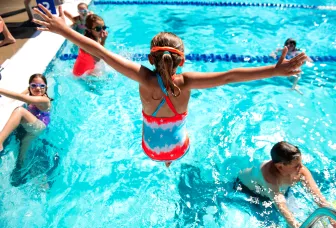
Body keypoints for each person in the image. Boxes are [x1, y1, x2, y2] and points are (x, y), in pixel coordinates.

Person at [33, 5, 307, 167]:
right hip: (176, 149)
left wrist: (65, 30)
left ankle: (161, 156)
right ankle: (169, 159)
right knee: (185, 127)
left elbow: (101, 52)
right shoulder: (187, 82)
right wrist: (274, 70)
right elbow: (229, 76)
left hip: (149, 148)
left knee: (156, 126)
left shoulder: (142, 76)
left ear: (151, 58)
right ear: (183, 60)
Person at [237, 141, 336, 228]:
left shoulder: (301, 170)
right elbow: (280, 204)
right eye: (296, 166)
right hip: (250, 192)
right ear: (280, 167)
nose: (301, 168)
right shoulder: (268, 175)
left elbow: (320, 200)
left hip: (281, 192)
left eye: (300, 163)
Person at [0, 74, 52, 167]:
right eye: (34, 85)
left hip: (39, 126)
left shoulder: (44, 99)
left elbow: (20, 97)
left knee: (20, 111)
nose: (38, 88)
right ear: (30, 87)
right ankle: (19, 172)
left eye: (42, 86)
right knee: (21, 155)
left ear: (46, 87)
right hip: (34, 127)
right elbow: (23, 93)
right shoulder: (32, 91)